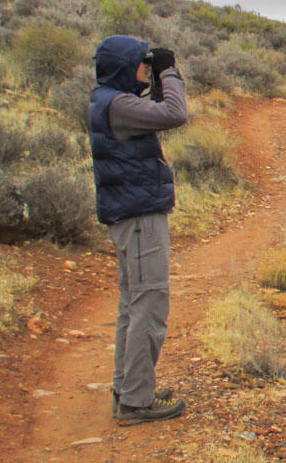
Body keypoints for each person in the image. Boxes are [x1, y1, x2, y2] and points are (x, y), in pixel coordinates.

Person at [88, 35, 188, 425]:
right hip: (140, 217)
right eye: (141, 62)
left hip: (128, 215)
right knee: (150, 304)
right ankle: (136, 401)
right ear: (123, 65)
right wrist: (169, 71)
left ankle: (128, 388)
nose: (145, 68)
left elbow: (157, 110)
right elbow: (174, 114)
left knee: (132, 306)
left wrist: (159, 77)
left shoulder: (109, 99)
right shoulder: (119, 104)